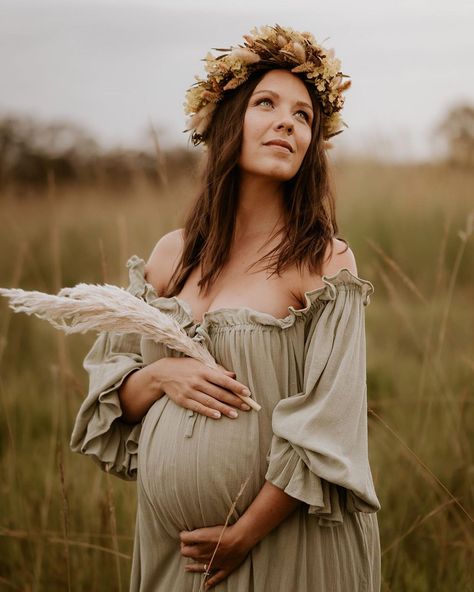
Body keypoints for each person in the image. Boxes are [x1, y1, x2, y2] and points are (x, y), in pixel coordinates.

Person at [71, 24, 381, 591]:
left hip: (286, 544)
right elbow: (109, 398)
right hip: (177, 556)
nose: (287, 121)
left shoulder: (324, 262)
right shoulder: (172, 256)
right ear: (228, 120)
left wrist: (244, 534)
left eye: (304, 115)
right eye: (266, 103)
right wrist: (163, 374)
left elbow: (331, 426)